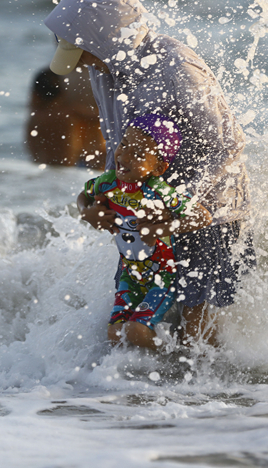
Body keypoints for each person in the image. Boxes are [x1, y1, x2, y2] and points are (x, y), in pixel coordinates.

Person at [46, 0, 252, 346]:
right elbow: (118, 143)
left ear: (106, 39)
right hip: (148, 205)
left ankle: (215, 397)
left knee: (196, 319)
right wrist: (99, 203)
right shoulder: (104, 69)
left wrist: (188, 208)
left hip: (207, 206)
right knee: (140, 314)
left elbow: (228, 148)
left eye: (82, 51)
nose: (80, 62)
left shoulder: (178, 69)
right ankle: (147, 396)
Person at [79, 114, 212, 349]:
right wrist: (86, 213)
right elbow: (84, 196)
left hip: (162, 276)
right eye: (123, 144)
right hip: (128, 275)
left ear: (159, 167)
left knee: (135, 330)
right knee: (115, 333)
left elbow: (202, 216)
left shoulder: (160, 192)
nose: (124, 155)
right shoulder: (108, 182)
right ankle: (136, 377)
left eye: (138, 153)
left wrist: (161, 228)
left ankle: (170, 360)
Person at [24, 66, 106, 169]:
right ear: (62, 93)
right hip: (67, 170)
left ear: (35, 94)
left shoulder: (35, 116)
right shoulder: (69, 112)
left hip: (39, 169)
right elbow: (103, 118)